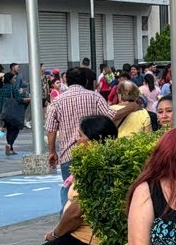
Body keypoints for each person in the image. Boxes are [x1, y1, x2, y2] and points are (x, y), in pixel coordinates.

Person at [46, 67, 143, 206]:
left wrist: (52, 151)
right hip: (93, 152)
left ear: (66, 81)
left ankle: (67, 216)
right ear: (85, 81)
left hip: (68, 154)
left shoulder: (57, 101)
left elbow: (51, 129)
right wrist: (132, 106)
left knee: (69, 192)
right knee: (91, 192)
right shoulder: (95, 97)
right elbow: (112, 115)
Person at [30, 116, 119, 245]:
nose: (77, 140)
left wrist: (55, 234)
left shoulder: (96, 168)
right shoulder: (103, 162)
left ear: (94, 140)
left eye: (81, 136)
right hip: (84, 234)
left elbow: (76, 213)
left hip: (90, 239)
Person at [0, 72, 29, 156]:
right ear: (10, 80)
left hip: (3, 112)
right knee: (15, 129)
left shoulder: (0, 88)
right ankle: (10, 145)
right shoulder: (13, 87)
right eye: (14, 78)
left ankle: (10, 148)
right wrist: (28, 99)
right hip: (12, 112)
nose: (15, 80)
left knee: (9, 129)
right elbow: (19, 99)